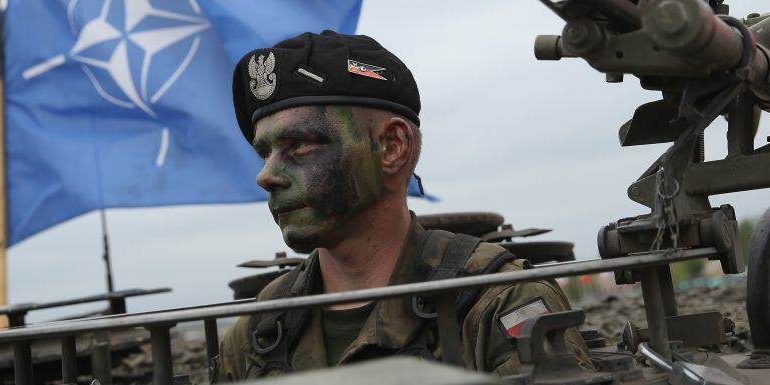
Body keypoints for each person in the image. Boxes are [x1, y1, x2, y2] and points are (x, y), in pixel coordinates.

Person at [214, 30, 591, 380]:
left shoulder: (497, 300)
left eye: (299, 145)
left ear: (392, 147)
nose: (266, 175)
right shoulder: (259, 328)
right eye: (264, 152)